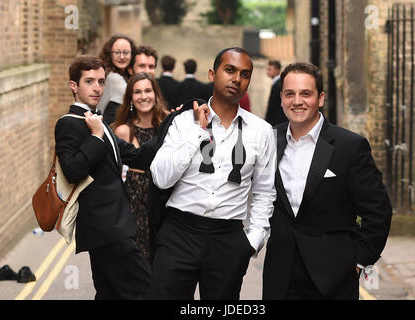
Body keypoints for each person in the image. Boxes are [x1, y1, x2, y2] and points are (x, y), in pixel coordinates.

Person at [149, 47, 277, 300]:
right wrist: (198, 130)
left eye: (244, 74)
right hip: (179, 233)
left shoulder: (261, 131)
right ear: (212, 74)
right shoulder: (183, 122)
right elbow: (161, 177)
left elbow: (264, 191)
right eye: (229, 70)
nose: (236, 78)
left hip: (228, 239)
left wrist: (252, 241)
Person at [262, 62, 392, 300]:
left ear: (320, 98)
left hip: (333, 278)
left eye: (306, 93)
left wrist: (358, 262)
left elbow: (378, 211)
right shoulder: (268, 139)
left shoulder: (350, 146)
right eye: (290, 94)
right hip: (280, 276)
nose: (297, 101)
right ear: (281, 98)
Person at [55, 55, 155, 300]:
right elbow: (73, 170)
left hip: (113, 228)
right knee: (147, 291)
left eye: (100, 81)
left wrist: (173, 123)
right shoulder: (70, 124)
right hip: (107, 229)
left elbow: (139, 157)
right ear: (74, 86)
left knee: (110, 294)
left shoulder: (97, 120)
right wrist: (96, 137)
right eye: (89, 81)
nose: (97, 88)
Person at [112, 72, 168, 264]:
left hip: (163, 204)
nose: (143, 96)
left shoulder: (168, 125)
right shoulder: (123, 130)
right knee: (138, 267)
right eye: (137, 92)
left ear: (156, 94)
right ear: (130, 98)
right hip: (134, 207)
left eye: (147, 90)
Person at [97, 34, 137, 124]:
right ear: (109, 54)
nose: (122, 57)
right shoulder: (113, 78)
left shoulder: (123, 75)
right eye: (117, 52)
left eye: (126, 52)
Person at [264, 59, 287, 126]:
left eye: (270, 69)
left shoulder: (278, 84)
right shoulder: (278, 83)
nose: (267, 71)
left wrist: (267, 120)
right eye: (267, 69)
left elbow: (272, 105)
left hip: (276, 121)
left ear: (277, 70)